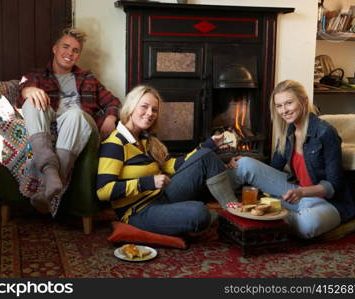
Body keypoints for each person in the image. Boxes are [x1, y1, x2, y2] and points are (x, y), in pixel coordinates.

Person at [96, 85, 237, 236]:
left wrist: (209, 145)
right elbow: (104, 191)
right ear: (131, 107)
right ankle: (209, 217)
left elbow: (173, 166)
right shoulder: (115, 143)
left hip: (163, 195)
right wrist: (149, 182)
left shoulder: (145, 139)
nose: (150, 113)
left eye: (154, 110)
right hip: (138, 212)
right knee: (199, 212)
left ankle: (234, 212)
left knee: (206, 155)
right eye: (144, 106)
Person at [225, 80, 355, 239]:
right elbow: (274, 168)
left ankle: (268, 218)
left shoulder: (325, 132)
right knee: (244, 164)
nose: (283, 110)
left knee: (308, 223)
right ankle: (229, 208)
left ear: (303, 101)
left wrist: (302, 192)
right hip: (295, 194)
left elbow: (334, 184)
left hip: (327, 202)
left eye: (288, 103)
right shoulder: (288, 131)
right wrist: (247, 160)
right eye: (279, 106)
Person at [16, 28, 121, 213]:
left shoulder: (87, 78)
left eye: (75, 50)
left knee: (75, 114)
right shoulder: (38, 75)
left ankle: (53, 178)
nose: (70, 53)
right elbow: (22, 90)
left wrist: (111, 116)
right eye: (66, 47)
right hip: (49, 120)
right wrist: (28, 91)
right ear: (55, 49)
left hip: (81, 123)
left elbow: (113, 102)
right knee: (31, 103)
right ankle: (51, 176)